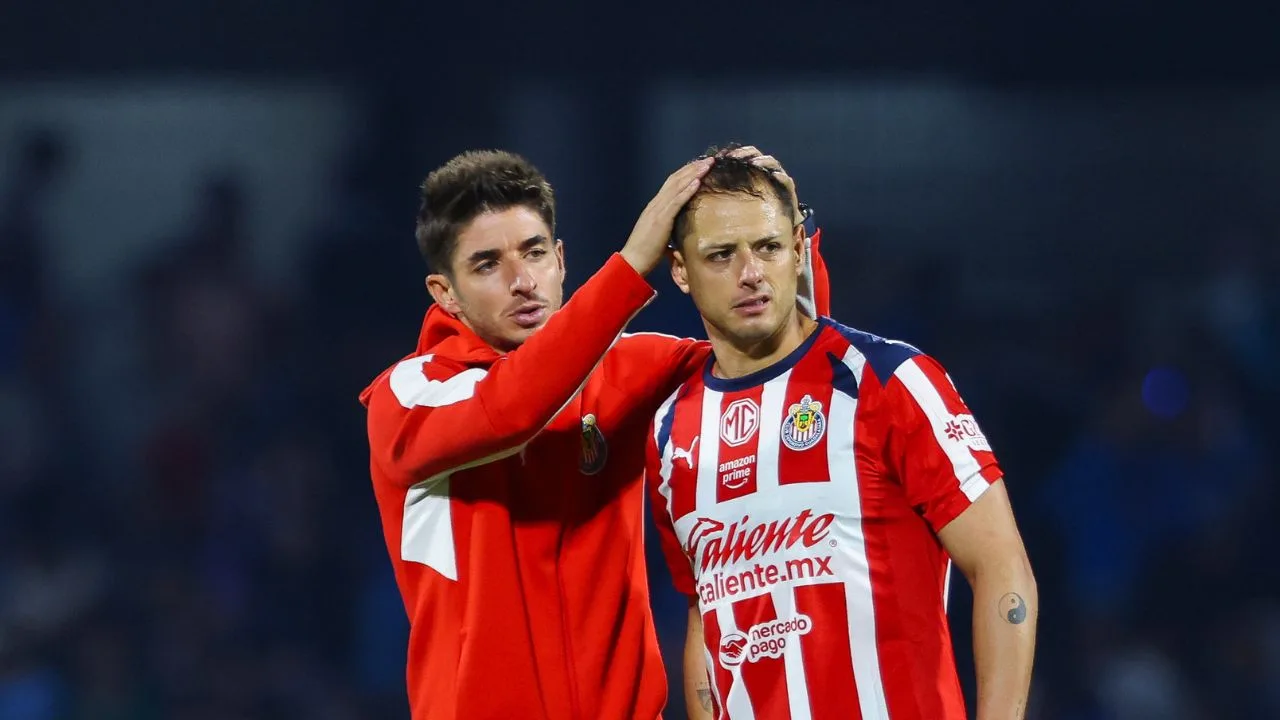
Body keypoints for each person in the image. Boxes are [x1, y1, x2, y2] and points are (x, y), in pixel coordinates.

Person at [359, 148, 830, 719]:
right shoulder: (409, 396)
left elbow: (777, 367)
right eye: (487, 265)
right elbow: (510, 411)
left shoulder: (628, 368)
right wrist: (632, 264)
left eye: (535, 253)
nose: (522, 281)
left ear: (560, 259)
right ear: (444, 293)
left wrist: (783, 234)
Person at [646, 146, 1038, 720]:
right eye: (721, 255)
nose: (750, 273)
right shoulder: (669, 432)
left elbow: (1003, 567)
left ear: (799, 249)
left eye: (769, 247)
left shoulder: (889, 380)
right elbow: (707, 618)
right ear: (680, 269)